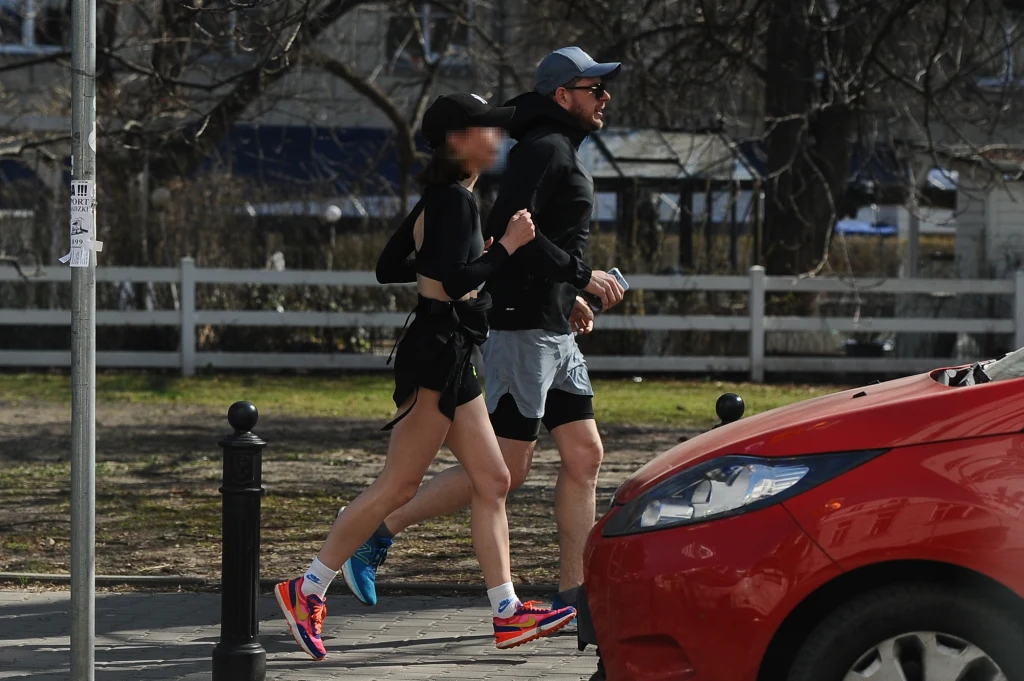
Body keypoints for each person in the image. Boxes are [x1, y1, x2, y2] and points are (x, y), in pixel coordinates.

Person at [343, 47, 625, 675]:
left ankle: (574, 596)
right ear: (562, 95)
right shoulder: (544, 150)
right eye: (593, 88)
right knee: (506, 473)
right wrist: (582, 276)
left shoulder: (560, 148)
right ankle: (380, 529)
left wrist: (571, 295)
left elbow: (531, 237)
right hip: (522, 333)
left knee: (585, 455)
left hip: (554, 327)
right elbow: (511, 232)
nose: (605, 98)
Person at [274, 92, 577, 661]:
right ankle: (306, 586)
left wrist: (457, 260)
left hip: (451, 351)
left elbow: (392, 265)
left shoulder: (447, 199)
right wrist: (505, 249)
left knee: (493, 480)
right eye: (489, 130)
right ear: (458, 140)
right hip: (438, 353)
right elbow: (460, 280)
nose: (500, 139)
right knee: (398, 486)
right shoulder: (454, 203)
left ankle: (508, 612)